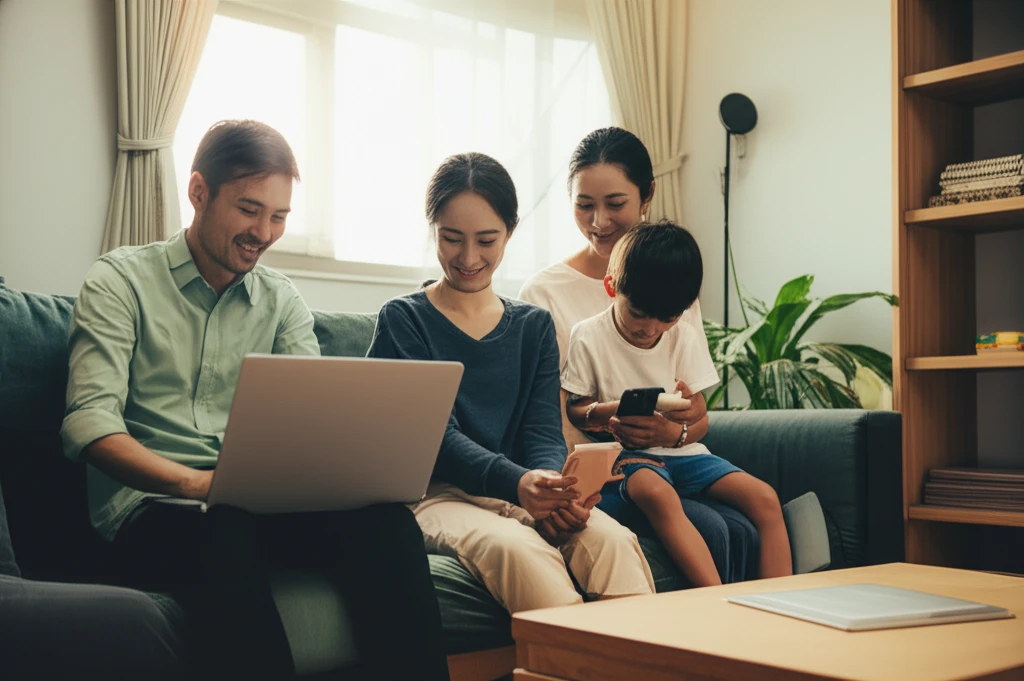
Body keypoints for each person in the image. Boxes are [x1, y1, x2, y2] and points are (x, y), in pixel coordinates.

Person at [61, 120, 449, 681]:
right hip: (152, 508)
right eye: (248, 209)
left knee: (387, 525)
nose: (263, 233)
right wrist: (195, 483)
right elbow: (90, 426)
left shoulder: (281, 300)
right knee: (226, 532)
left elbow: (312, 421)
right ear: (198, 193)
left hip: (256, 506)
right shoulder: (120, 281)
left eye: (279, 217)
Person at [367, 152, 654, 614]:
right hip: (432, 496)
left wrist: (552, 492)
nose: (468, 258)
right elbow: (433, 438)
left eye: (486, 239)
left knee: (613, 543)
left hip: (515, 488)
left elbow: (542, 427)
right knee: (523, 553)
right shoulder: (404, 320)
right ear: (432, 230)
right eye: (451, 238)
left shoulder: (533, 326)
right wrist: (521, 484)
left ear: (510, 233)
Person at [519, 126, 759, 583]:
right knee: (713, 527)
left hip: (667, 460)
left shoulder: (670, 284)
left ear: (646, 196)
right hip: (594, 470)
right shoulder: (543, 293)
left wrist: (674, 431)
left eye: (615, 204)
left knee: (741, 525)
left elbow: (699, 415)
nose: (598, 222)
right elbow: (538, 416)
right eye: (584, 205)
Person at [562, 221, 793, 586]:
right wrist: (611, 411)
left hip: (684, 454)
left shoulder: (682, 334)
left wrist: (685, 418)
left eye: (666, 318)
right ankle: (715, 598)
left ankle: (783, 603)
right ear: (611, 288)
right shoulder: (588, 336)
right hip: (625, 456)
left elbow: (699, 410)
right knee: (657, 493)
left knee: (764, 497)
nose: (650, 329)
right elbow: (576, 407)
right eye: (638, 313)